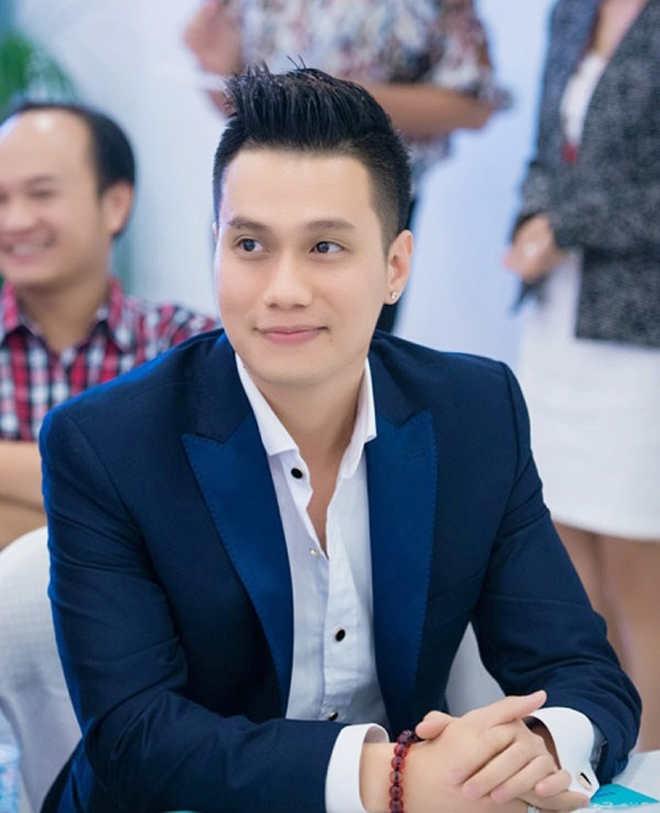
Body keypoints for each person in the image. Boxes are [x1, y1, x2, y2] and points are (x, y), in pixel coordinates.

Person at [41, 67, 639, 813]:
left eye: (325, 246)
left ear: (395, 267)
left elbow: (583, 672)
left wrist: (538, 746)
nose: (283, 289)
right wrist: (394, 778)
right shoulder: (106, 443)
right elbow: (135, 739)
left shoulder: (475, 413)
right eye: (250, 244)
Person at [183, 0, 507, 331]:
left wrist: (333, 97)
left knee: (348, 353)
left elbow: (472, 101)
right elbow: (228, 95)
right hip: (258, 197)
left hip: (363, 201)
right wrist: (215, 69)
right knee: (254, 347)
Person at [504, 0, 660, 752]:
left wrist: (567, 224)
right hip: (558, 320)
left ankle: (653, 775)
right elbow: (543, 155)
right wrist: (532, 220)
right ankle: (598, 759)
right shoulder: (573, 6)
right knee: (568, 579)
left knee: (641, 575)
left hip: (643, 337)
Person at [0, 102, 217, 549]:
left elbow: (199, 509)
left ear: (115, 204)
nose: (15, 220)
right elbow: (147, 507)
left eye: (41, 194)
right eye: (0, 198)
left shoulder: (185, 345)